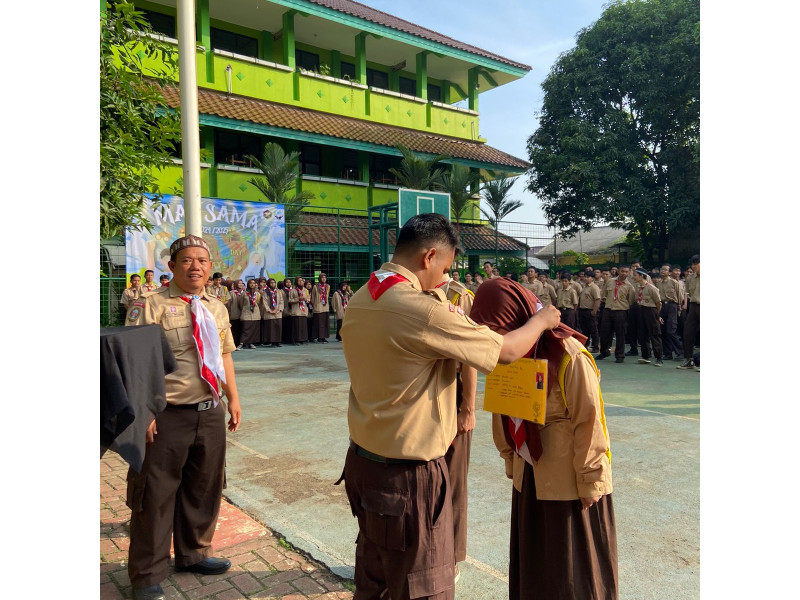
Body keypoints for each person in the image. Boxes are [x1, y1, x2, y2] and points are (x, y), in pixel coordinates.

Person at [340, 214, 561, 600]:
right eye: (444, 266)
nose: (446, 275)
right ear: (429, 257)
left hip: (363, 462)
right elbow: (506, 351)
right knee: (423, 587)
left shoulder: (362, 298)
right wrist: (542, 320)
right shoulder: (420, 309)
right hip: (409, 479)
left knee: (374, 580)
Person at [470, 277, 617, 600]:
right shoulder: (509, 355)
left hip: (569, 483)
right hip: (530, 476)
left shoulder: (568, 355)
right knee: (536, 567)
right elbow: (502, 410)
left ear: (518, 315)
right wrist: (510, 457)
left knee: (573, 572)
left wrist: (591, 479)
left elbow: (589, 421)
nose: (497, 338)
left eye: (499, 327)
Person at [124, 235, 241, 600]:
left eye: (203, 261)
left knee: (204, 487)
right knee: (155, 495)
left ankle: (193, 554)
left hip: (208, 411)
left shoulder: (216, 306)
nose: (196, 266)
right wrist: (143, 413)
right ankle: (146, 574)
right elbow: (136, 362)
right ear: (171, 266)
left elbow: (224, 356)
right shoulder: (151, 305)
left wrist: (233, 399)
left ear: (210, 268)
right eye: (187, 260)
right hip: (166, 414)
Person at [435, 271, 479, 583]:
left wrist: (467, 409)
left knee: (452, 482)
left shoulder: (458, 296)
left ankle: (449, 557)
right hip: (422, 401)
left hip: (452, 399)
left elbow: (471, 356)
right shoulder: (410, 291)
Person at [597, 265, 635, 363]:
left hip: (621, 311)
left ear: (629, 272)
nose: (624, 273)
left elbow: (630, 301)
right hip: (608, 309)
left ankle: (620, 355)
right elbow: (605, 293)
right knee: (604, 333)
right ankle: (604, 352)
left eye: (626, 272)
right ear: (618, 271)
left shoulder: (629, 286)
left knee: (620, 334)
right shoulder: (610, 281)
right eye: (622, 271)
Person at [632, 268, 664, 366]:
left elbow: (658, 303)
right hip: (641, 310)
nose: (634, 277)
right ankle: (645, 355)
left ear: (641, 276)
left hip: (650, 310)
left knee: (654, 333)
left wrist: (657, 315)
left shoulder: (651, 288)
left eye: (635, 275)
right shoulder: (638, 287)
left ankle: (659, 357)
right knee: (642, 333)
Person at [678, 255, 700, 371]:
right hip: (694, 306)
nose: (693, 266)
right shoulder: (690, 278)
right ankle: (689, 359)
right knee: (687, 333)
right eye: (692, 264)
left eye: (696, 264)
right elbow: (688, 293)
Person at [657, 264, 683, 361]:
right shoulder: (659, 283)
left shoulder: (674, 282)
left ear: (669, 272)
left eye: (665, 270)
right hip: (662, 305)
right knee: (663, 330)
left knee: (671, 330)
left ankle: (680, 351)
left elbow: (679, 295)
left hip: (672, 305)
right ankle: (667, 353)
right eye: (662, 269)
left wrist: (679, 306)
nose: (663, 271)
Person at [578, 270, 602, 352]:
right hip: (583, 310)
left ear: (592, 278)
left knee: (593, 329)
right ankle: (586, 345)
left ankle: (595, 346)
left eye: (587, 277)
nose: (585, 278)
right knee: (585, 330)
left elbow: (597, 299)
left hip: (590, 310)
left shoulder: (594, 287)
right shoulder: (584, 287)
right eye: (585, 276)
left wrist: (594, 311)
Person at [238, 278, 262, 349]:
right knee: (245, 329)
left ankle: (251, 343)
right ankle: (241, 343)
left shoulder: (258, 294)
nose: (252, 284)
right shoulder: (244, 293)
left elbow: (259, 303)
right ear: (248, 284)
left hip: (255, 314)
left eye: (253, 283)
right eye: (250, 283)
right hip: (246, 313)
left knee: (253, 329)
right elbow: (240, 304)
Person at [260, 278, 283, 347]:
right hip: (269, 313)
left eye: (273, 282)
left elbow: (281, 301)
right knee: (271, 328)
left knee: (278, 327)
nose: (273, 284)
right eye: (271, 283)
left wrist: (279, 309)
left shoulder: (278, 291)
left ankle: (278, 341)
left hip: (278, 312)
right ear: (268, 284)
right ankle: (272, 341)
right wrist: (270, 310)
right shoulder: (265, 292)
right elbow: (265, 303)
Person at [288, 276, 309, 344]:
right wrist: (298, 299)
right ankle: (296, 340)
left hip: (303, 310)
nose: (301, 282)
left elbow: (308, 299)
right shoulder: (293, 290)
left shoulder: (306, 290)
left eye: (302, 280)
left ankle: (303, 339)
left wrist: (306, 300)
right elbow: (290, 300)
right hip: (296, 310)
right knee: (297, 326)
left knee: (303, 326)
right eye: (299, 281)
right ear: (296, 282)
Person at [311, 273, 331, 343]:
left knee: (325, 323)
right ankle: (319, 337)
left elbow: (327, 295)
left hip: (325, 307)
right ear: (319, 278)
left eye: (325, 277)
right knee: (319, 323)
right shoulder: (315, 287)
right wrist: (314, 305)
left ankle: (324, 337)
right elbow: (313, 297)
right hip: (318, 307)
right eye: (322, 277)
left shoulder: (328, 286)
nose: (324, 279)